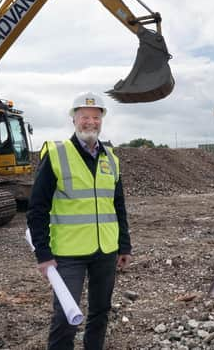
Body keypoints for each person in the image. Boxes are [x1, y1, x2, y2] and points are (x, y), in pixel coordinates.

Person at [26, 91, 132, 349]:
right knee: (66, 317)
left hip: (105, 250)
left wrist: (124, 244)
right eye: (85, 116)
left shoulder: (112, 160)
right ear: (74, 120)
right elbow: (37, 208)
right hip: (67, 252)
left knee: (100, 312)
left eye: (96, 117)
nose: (91, 122)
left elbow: (118, 205)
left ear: (101, 121)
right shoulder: (57, 155)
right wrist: (43, 254)